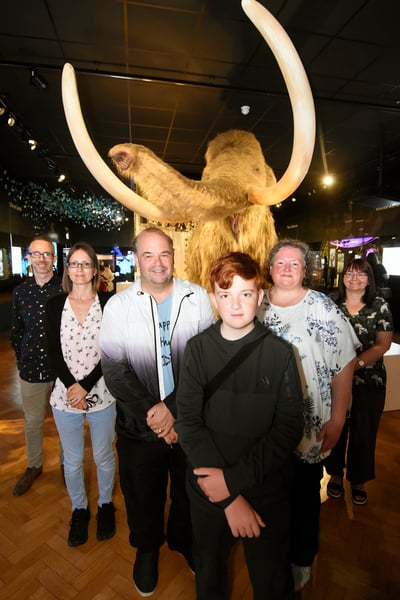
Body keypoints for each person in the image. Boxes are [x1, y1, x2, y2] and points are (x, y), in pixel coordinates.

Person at [175, 252, 304, 600]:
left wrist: (233, 483)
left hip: (264, 488)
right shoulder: (198, 349)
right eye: (225, 294)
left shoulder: (279, 353)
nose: (235, 305)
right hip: (208, 488)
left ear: (259, 297)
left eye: (245, 294)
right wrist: (229, 497)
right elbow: (188, 422)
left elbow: (288, 428)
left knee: (273, 580)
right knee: (210, 574)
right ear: (213, 298)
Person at [99, 227, 215, 597]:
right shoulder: (119, 305)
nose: (157, 262)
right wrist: (155, 411)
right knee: (141, 494)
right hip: (138, 425)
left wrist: (176, 412)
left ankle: (184, 542)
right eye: (148, 255)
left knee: (188, 491)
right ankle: (147, 549)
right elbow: (114, 370)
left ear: (173, 256)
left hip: (189, 423)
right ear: (136, 260)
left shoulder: (196, 298)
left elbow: (206, 364)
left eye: (163, 254)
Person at [258, 239, 359, 592]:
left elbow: (344, 364)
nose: (286, 268)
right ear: (270, 268)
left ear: (306, 270)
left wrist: (339, 417)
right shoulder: (254, 304)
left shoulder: (323, 308)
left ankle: (301, 559)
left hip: (311, 423)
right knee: (268, 495)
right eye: (280, 263)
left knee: (303, 499)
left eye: (295, 263)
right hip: (263, 427)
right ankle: (271, 556)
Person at [45, 242, 116, 547]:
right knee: (72, 461)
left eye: (86, 264)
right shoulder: (54, 305)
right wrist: (72, 386)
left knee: (102, 455)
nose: (80, 269)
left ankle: (105, 505)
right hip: (65, 396)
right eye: (74, 263)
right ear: (67, 269)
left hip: (101, 392)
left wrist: (86, 385)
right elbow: (53, 352)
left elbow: (111, 350)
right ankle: (80, 509)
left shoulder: (110, 303)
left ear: (95, 269)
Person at [324, 257, 393, 505]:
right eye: (349, 274)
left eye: (361, 274)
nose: (354, 279)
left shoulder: (380, 306)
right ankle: (334, 475)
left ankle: (359, 479)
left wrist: (353, 365)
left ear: (369, 279)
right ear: (343, 278)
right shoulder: (331, 303)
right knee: (336, 428)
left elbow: (382, 345)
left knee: (364, 432)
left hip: (369, 381)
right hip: (334, 383)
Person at [10, 236, 63, 496]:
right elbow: (17, 332)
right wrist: (22, 358)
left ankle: (68, 465)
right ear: (28, 257)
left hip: (63, 371)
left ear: (54, 258)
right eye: (37, 254)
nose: (42, 259)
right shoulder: (20, 292)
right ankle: (34, 465)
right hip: (31, 369)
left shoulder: (66, 288)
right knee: (32, 422)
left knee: (66, 422)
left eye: (47, 254)